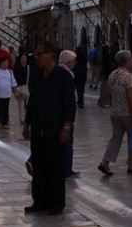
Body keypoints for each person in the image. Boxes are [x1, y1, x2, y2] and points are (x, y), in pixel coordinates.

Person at [24, 41, 76, 216]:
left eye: (39, 54)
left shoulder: (63, 77)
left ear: (50, 54)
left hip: (55, 129)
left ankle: (56, 202)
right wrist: (27, 123)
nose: (36, 58)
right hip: (38, 129)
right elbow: (32, 101)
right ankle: (39, 201)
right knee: (39, 166)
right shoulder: (37, 76)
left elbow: (69, 104)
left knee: (55, 166)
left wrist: (66, 127)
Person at [99, 50, 132, 176]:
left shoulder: (113, 74)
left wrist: (116, 103)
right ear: (127, 61)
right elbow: (130, 96)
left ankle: (105, 162)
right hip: (127, 113)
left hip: (115, 112)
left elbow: (108, 93)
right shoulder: (128, 76)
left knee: (115, 138)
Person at [58, 49, 80, 177]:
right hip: (65, 115)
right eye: (73, 61)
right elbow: (69, 99)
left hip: (56, 114)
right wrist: (69, 120)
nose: (74, 64)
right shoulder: (67, 74)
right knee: (67, 143)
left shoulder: (55, 71)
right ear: (68, 62)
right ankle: (67, 170)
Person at [13, 52, 32, 132]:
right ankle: (21, 118)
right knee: (20, 103)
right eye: (22, 58)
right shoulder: (16, 68)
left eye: (25, 58)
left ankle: (27, 117)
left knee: (28, 104)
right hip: (19, 87)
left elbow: (31, 78)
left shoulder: (29, 68)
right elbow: (14, 79)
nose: (23, 59)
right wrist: (15, 90)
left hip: (26, 87)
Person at [74, 43, 89, 108]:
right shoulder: (84, 58)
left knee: (78, 88)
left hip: (77, 75)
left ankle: (80, 101)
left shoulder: (75, 58)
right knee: (82, 88)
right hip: (83, 74)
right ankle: (81, 100)